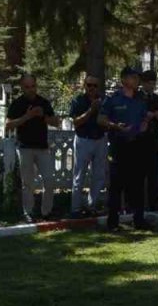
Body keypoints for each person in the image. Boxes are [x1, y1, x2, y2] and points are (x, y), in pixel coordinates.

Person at [99, 67, 154, 232]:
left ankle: (138, 220)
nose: (136, 80)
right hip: (119, 146)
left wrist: (145, 124)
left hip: (137, 145)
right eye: (133, 77)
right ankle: (113, 223)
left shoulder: (140, 99)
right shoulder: (113, 99)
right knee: (116, 186)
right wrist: (114, 125)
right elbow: (101, 119)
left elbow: (144, 117)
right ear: (124, 80)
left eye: (137, 77)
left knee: (137, 184)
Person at [6, 74, 62, 220]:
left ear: (36, 86)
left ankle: (46, 212)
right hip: (25, 148)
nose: (31, 90)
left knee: (49, 180)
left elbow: (56, 122)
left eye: (33, 86)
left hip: (42, 147)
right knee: (28, 183)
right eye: (27, 87)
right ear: (22, 88)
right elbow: (8, 125)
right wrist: (27, 116)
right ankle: (28, 212)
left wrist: (44, 116)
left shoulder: (43, 102)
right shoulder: (17, 103)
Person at [68, 75, 107, 218]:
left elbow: (108, 118)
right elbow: (76, 122)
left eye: (95, 86)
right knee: (79, 176)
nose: (92, 88)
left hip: (100, 139)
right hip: (83, 140)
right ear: (85, 86)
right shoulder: (78, 101)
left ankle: (92, 206)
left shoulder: (104, 101)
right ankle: (75, 208)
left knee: (98, 175)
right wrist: (91, 110)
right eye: (89, 85)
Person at [139, 69, 158, 210]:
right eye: (148, 83)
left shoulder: (157, 99)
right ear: (143, 83)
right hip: (139, 140)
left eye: (153, 83)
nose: (151, 86)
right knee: (138, 173)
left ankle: (154, 202)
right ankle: (137, 202)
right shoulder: (137, 97)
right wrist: (147, 115)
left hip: (153, 139)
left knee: (153, 174)